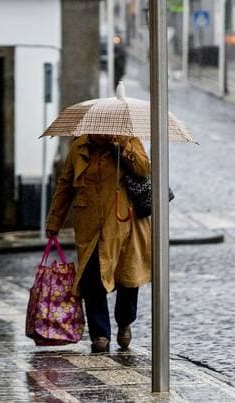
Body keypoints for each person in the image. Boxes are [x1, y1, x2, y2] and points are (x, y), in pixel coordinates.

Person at [45, 133, 151, 353]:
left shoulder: (127, 141)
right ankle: (100, 334)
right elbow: (65, 186)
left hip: (124, 223)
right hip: (90, 226)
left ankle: (124, 322)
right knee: (91, 279)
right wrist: (54, 222)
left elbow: (144, 169)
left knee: (127, 279)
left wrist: (123, 148)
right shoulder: (79, 148)